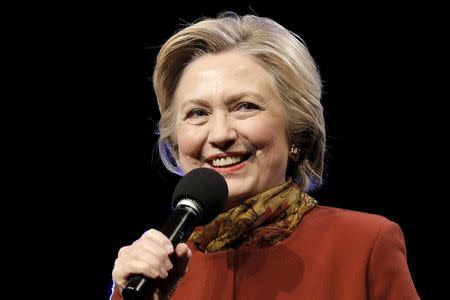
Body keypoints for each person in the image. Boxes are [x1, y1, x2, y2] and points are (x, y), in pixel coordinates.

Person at [112, 12, 419, 299]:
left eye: (245, 106)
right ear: (177, 143)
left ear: (297, 132)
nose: (220, 134)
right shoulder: (149, 274)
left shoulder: (365, 244)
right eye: (197, 113)